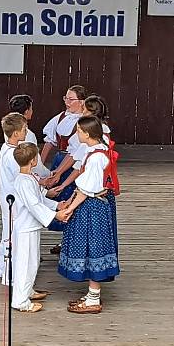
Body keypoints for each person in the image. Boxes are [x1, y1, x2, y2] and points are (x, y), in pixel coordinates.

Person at [59, 116, 119, 313]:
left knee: (94, 247)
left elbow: (87, 190)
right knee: (92, 246)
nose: (77, 133)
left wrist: (70, 208)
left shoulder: (96, 158)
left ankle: (94, 298)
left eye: (79, 130)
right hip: (93, 204)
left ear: (86, 133)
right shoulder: (96, 150)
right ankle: (92, 294)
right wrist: (70, 202)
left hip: (93, 207)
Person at [10, 142, 71, 312]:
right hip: (25, 228)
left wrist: (56, 205)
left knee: (33, 262)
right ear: (33, 161)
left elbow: (39, 199)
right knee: (25, 264)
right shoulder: (24, 182)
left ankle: (27, 290)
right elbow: (34, 205)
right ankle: (20, 301)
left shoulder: (29, 179)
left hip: (31, 227)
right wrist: (55, 216)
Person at [0, 112, 29, 280]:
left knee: (7, 232)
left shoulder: (6, 147)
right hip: (13, 200)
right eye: (24, 129)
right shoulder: (13, 155)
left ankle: (2, 268)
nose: (26, 131)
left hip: (6, 197)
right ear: (16, 133)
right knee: (13, 235)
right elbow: (22, 178)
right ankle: (10, 274)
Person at [40, 84, 87, 202]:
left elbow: (75, 153)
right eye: (66, 98)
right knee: (54, 192)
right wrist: (39, 165)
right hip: (59, 159)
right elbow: (49, 141)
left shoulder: (84, 122)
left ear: (81, 102)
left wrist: (59, 172)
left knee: (69, 193)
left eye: (71, 99)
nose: (67, 102)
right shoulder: (61, 117)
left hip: (74, 162)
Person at [8, 94, 49, 178]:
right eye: (31, 109)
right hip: (26, 176)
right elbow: (34, 162)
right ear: (27, 111)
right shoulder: (28, 135)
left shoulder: (9, 131)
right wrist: (47, 174)